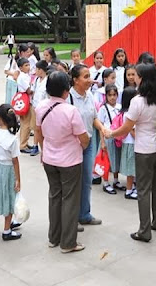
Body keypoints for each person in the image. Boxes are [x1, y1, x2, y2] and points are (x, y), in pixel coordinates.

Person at [106, 62, 156, 242]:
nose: (134, 78)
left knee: (143, 191)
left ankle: (144, 230)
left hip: (144, 149)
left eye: (137, 75)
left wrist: (111, 133)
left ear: (143, 79)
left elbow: (126, 127)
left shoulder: (137, 101)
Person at [35, 71, 89, 253]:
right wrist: (82, 145)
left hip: (49, 159)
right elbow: (83, 138)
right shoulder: (70, 111)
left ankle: (54, 237)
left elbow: (38, 132)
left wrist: (44, 149)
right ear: (67, 91)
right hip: (70, 161)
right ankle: (68, 242)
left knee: (55, 197)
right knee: (70, 200)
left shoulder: (41, 107)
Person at [69, 64, 106, 227]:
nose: (90, 80)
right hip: (73, 145)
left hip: (89, 143)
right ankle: (71, 217)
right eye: (85, 77)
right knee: (73, 183)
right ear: (75, 80)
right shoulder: (68, 98)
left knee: (86, 180)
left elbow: (93, 117)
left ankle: (84, 214)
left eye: (89, 76)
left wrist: (103, 128)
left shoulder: (90, 95)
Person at [0, 105, 23, 241]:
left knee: (1, 195)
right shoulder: (12, 139)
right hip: (8, 170)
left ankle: (7, 226)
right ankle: (7, 229)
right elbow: (15, 161)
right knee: (10, 198)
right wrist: (18, 179)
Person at [97, 84, 123, 194]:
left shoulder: (119, 107)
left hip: (116, 137)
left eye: (114, 95)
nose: (112, 97)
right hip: (107, 138)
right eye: (109, 95)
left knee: (116, 159)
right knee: (107, 161)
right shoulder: (103, 109)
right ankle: (106, 182)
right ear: (106, 96)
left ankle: (116, 180)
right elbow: (100, 126)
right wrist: (102, 142)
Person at [118, 87, 139, 199]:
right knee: (131, 170)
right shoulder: (129, 114)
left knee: (133, 169)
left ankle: (132, 188)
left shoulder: (124, 113)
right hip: (132, 144)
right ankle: (129, 190)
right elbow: (131, 130)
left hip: (129, 143)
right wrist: (140, 140)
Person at [17, 58, 38, 156]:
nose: (28, 67)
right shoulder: (22, 77)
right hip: (25, 101)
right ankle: (23, 145)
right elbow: (29, 90)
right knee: (25, 124)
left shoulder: (26, 75)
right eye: (25, 65)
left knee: (27, 123)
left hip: (27, 101)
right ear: (20, 68)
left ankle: (25, 143)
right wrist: (36, 89)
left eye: (28, 65)